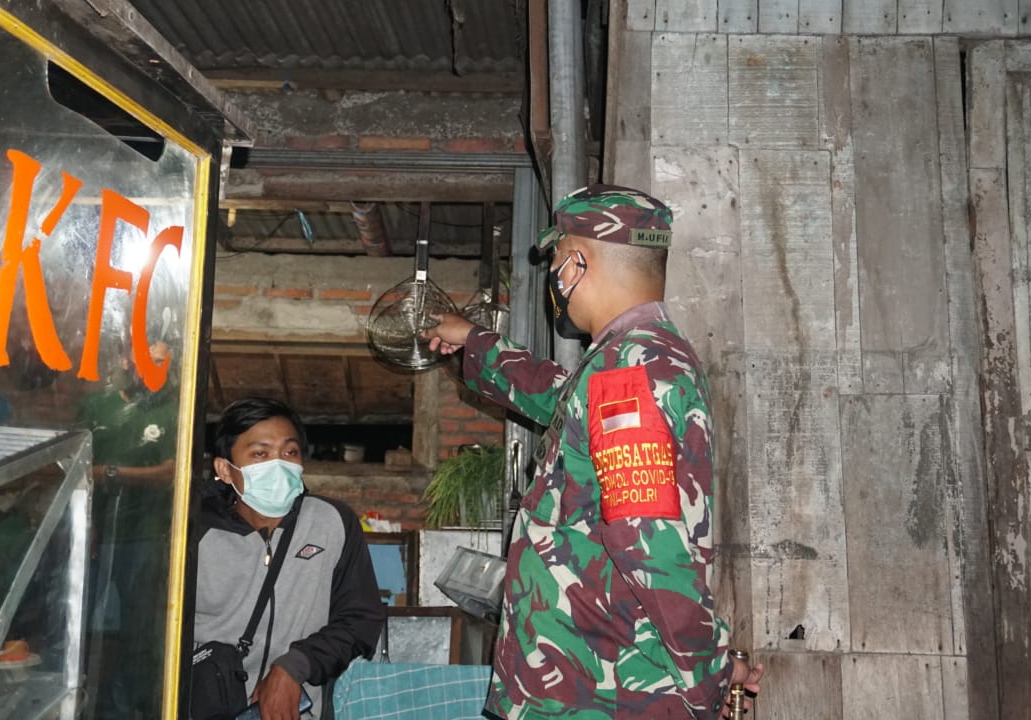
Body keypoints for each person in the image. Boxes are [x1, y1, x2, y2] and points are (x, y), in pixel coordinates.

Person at [423, 185, 764, 719]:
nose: (553, 279)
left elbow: (649, 546)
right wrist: (476, 343)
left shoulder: (631, 370)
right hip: (588, 684)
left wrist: (709, 675)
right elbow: (562, 398)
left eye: (556, 258)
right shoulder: (627, 361)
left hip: (598, 694)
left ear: (576, 262)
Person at [195, 397, 385, 719]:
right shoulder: (192, 531)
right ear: (225, 470)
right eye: (260, 453)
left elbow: (359, 619)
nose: (278, 464)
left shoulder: (331, 523)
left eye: (289, 452)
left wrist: (296, 665)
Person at [79, 339, 179, 719]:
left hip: (144, 536)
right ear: (127, 361)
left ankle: (126, 711)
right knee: (84, 626)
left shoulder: (170, 412)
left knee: (138, 633)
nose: (153, 369)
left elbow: (169, 472)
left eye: (161, 362)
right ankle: (84, 706)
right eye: (146, 361)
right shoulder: (98, 406)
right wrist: (86, 525)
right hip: (94, 536)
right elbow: (75, 467)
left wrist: (112, 473)